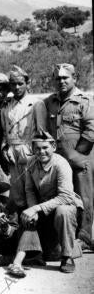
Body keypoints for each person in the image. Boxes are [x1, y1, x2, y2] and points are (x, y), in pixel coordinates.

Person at [11, 131, 84, 275]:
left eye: (45, 148)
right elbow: (30, 190)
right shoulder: (31, 163)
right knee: (28, 215)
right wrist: (33, 209)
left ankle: (67, 256)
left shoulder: (61, 164)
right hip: (45, 207)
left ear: (54, 147)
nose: (41, 152)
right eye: (37, 148)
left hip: (66, 206)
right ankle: (26, 257)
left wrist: (37, 208)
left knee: (63, 211)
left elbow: (65, 197)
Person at [43, 63, 94, 250]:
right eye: (58, 78)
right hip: (58, 159)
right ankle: (65, 236)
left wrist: (75, 155)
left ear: (75, 78)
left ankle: (85, 236)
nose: (61, 81)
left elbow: (91, 132)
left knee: (84, 197)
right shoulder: (50, 102)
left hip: (81, 158)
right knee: (62, 196)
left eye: (65, 77)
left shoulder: (85, 101)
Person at [0, 66, 47, 209]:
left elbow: (41, 133)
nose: (17, 87)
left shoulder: (36, 103)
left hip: (29, 152)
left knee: (32, 191)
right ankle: (21, 225)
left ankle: (35, 226)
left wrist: (35, 153)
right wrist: (4, 148)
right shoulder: (7, 106)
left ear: (27, 83)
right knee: (17, 193)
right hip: (12, 153)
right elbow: (4, 131)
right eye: (13, 84)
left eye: (20, 83)